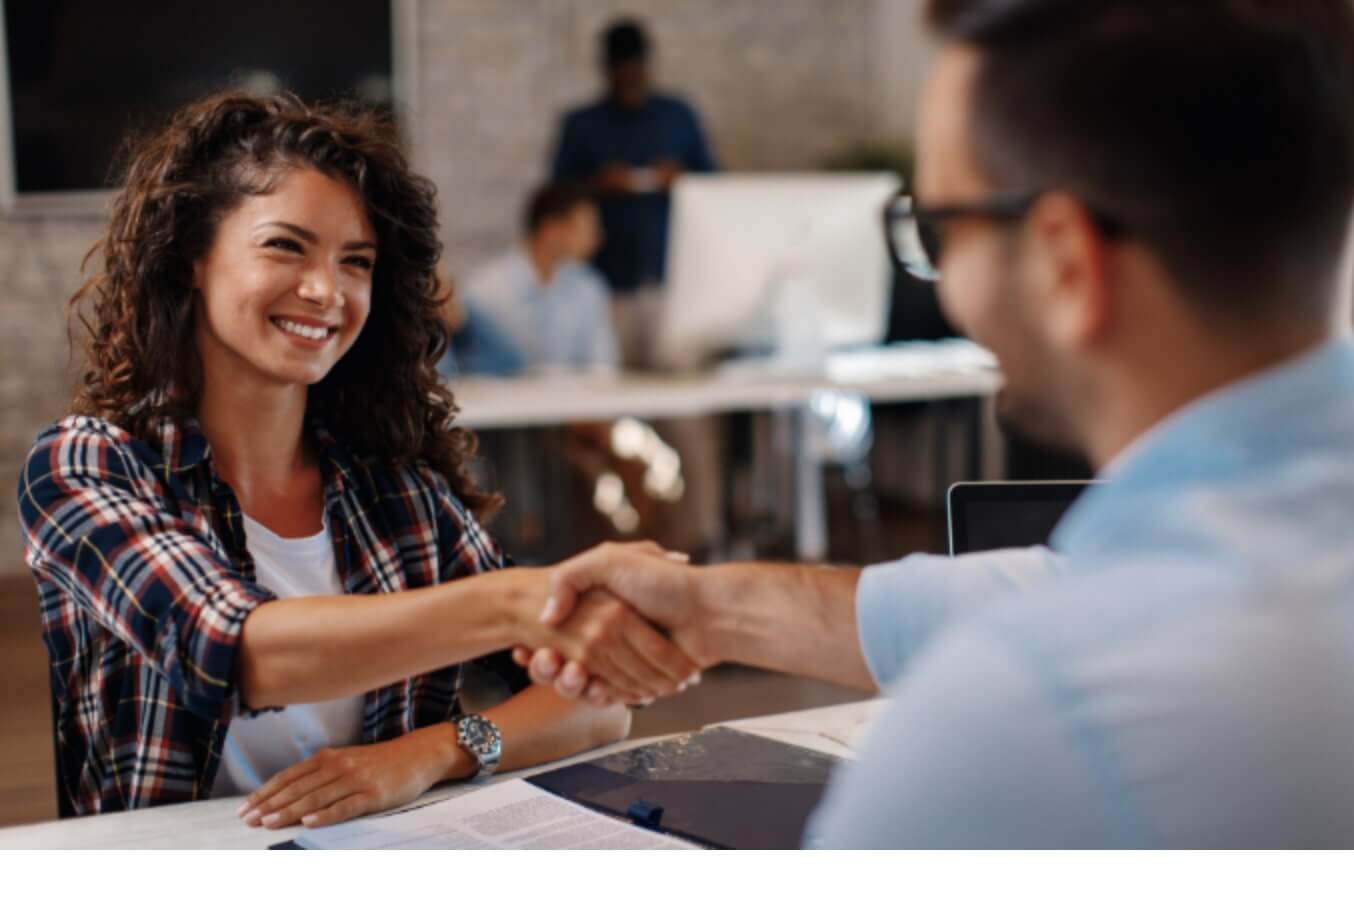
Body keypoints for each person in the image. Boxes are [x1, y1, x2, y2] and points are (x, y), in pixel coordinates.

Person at [516, 0, 1354, 847]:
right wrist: (707, 610)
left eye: (940, 227)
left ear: (1065, 262)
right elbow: (1035, 587)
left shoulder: (1019, 721)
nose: (942, 279)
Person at [16, 92, 698, 824]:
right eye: (286, 245)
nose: (326, 290)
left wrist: (432, 752)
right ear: (191, 258)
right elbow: (240, 654)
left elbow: (597, 707)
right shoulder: (85, 465)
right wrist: (523, 604)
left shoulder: (399, 494)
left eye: (356, 262)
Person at [549, 17, 717, 366]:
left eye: (635, 71)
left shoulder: (678, 115)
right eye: (620, 71)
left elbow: (715, 185)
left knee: (681, 399)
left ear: (647, 66)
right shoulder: (582, 124)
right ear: (606, 70)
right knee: (611, 388)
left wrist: (681, 179)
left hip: (670, 278)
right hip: (607, 281)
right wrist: (599, 184)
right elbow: (555, 196)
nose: (629, 80)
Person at [449, 182, 618, 376]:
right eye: (587, 228)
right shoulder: (485, 291)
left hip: (575, 402)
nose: (597, 239)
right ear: (550, 230)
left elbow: (602, 368)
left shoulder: (590, 288)